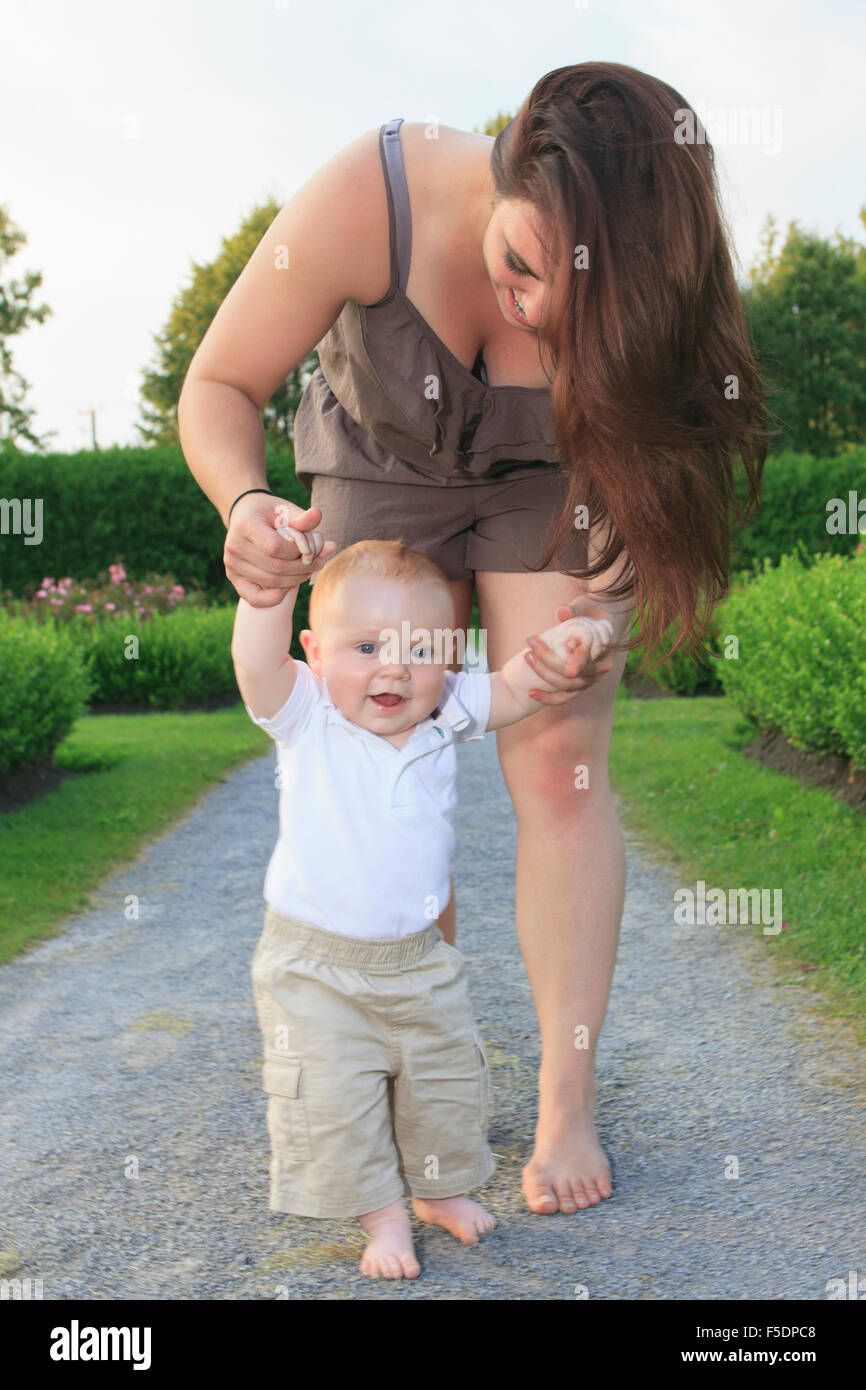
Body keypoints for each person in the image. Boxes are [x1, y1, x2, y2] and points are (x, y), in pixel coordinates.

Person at [178, 62, 767, 1217]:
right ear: (506, 168)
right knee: (385, 746)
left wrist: (598, 622)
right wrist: (246, 506)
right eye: (517, 269)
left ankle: (565, 1101)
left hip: (550, 480)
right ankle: (399, 1080)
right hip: (377, 463)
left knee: (554, 755)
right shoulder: (374, 191)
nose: (533, 314)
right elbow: (220, 382)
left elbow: (652, 497)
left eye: (568, 298)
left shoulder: (649, 278)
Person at [232, 526, 614, 1279]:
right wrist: (266, 592)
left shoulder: (444, 714)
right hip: (315, 966)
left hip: (419, 960)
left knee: (441, 1083)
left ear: (450, 655)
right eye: (366, 648)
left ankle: (437, 1192)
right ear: (314, 651)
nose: (394, 669)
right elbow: (254, 660)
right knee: (337, 1098)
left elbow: (513, 688)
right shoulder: (306, 716)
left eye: (419, 649)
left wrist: (569, 650)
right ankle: (382, 1217)